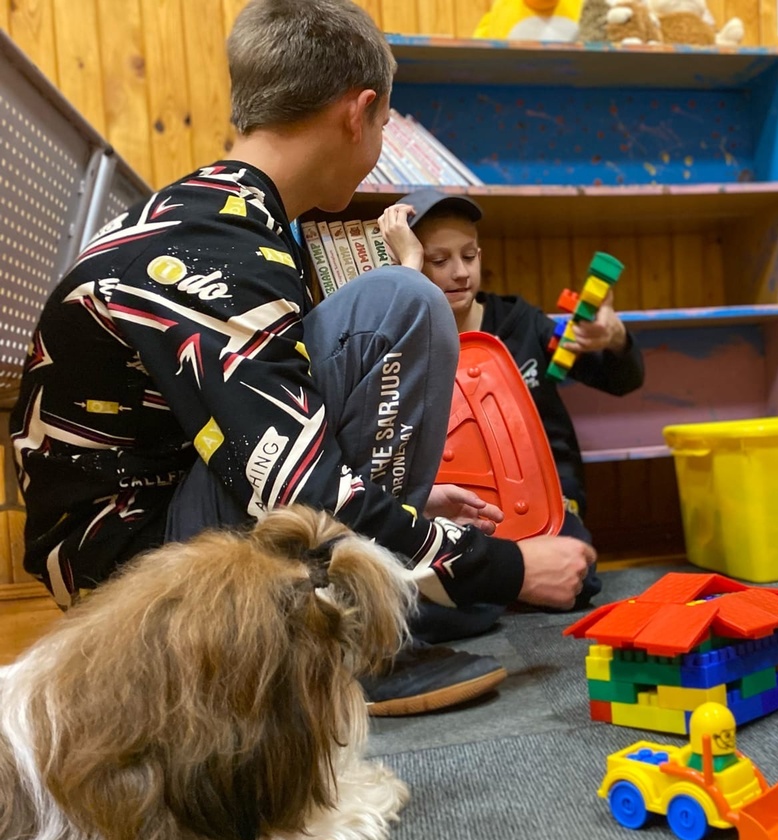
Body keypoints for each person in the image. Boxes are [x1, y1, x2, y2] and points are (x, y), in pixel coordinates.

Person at [7, 0, 595, 716]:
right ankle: (348, 648)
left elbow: (275, 433)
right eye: (384, 124)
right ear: (362, 112)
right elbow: (290, 487)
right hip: (143, 597)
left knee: (452, 599)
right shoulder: (217, 253)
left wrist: (414, 512)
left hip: (164, 537)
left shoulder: (218, 220)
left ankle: (375, 606)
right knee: (400, 302)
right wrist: (504, 568)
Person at [376, 189, 646, 606]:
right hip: (453, 506)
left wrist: (615, 338)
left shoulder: (523, 324)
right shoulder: (396, 340)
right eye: (439, 259)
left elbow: (622, 379)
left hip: (547, 500)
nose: (461, 272)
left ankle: (497, 582)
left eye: (470, 255)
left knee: (578, 579)